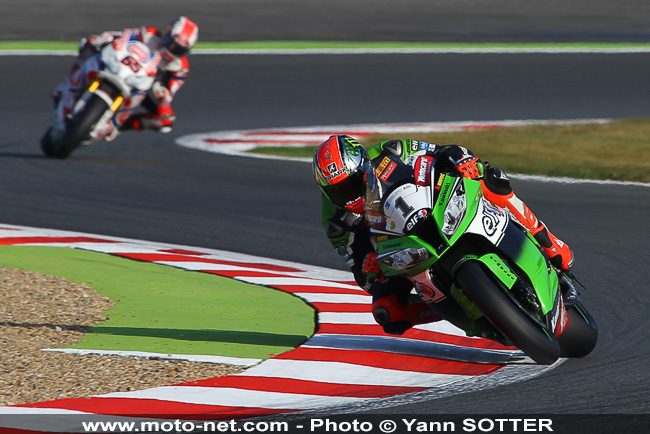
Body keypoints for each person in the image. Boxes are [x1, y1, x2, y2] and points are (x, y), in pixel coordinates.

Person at [312, 134, 575, 336]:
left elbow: (444, 152)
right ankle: (469, 316)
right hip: (398, 251)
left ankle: (550, 244)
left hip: (431, 208)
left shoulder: (391, 151)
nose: (349, 194)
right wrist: (370, 269)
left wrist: (464, 161)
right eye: (339, 191)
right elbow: (361, 274)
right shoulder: (334, 222)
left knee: (492, 178)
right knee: (386, 312)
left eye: (352, 183)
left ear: (363, 166)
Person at [53, 16, 198, 140]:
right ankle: (69, 83)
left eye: (178, 48)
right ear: (167, 33)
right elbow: (121, 36)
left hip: (144, 86)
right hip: (121, 65)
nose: (171, 48)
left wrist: (161, 94)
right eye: (171, 42)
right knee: (88, 44)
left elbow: (169, 94)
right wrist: (102, 39)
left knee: (165, 121)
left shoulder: (180, 68)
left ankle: (118, 127)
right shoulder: (149, 34)